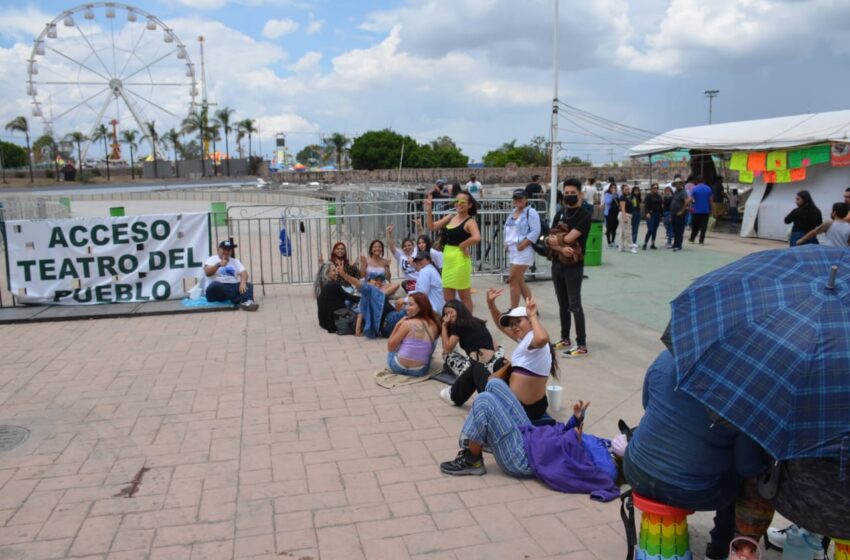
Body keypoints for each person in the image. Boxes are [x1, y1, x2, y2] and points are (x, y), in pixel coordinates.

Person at [624, 351, 767, 560]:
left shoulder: (668, 357)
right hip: (691, 490)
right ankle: (721, 547)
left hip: (636, 469)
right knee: (742, 477)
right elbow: (747, 466)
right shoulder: (743, 386)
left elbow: (647, 403)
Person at [480, 291, 557, 421]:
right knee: (499, 363)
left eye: (518, 321)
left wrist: (532, 315)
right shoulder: (525, 338)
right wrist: (491, 305)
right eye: (512, 324)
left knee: (476, 371)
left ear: (529, 321)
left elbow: (543, 338)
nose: (514, 327)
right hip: (535, 406)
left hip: (521, 409)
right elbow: (501, 327)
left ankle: (454, 395)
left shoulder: (533, 338)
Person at [550, 178, 592, 357]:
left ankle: (581, 344)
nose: (569, 196)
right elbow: (549, 239)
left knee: (575, 304)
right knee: (562, 303)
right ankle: (565, 338)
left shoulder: (584, 215)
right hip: (557, 263)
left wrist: (558, 242)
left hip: (574, 265)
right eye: (566, 193)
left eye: (572, 193)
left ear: (580, 194)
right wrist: (559, 247)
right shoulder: (560, 213)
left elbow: (569, 239)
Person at [424, 190, 481, 312]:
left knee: (464, 296)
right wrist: (429, 210)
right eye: (456, 201)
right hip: (448, 262)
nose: (458, 204)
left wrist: (463, 244)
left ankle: (468, 324)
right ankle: (454, 322)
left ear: (469, 205)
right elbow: (431, 226)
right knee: (448, 297)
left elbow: (476, 237)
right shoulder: (450, 217)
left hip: (460, 261)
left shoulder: (470, 221)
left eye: (462, 202)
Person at [437, 300, 503, 404]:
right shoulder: (476, 321)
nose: (449, 316)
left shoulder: (458, 325)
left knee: (447, 355)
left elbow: (447, 348)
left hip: (477, 366)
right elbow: (494, 345)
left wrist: (444, 326)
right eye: (446, 314)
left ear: (459, 311)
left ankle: (454, 390)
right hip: (492, 362)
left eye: (451, 312)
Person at [386, 293, 439, 376]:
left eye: (411, 304)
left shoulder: (407, 323)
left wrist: (397, 325)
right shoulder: (433, 324)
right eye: (406, 304)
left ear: (421, 307)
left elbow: (390, 347)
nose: (406, 308)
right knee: (433, 341)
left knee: (393, 349)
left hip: (398, 367)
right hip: (420, 370)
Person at [504, 189, 541, 308]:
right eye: (516, 198)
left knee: (512, 281)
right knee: (519, 281)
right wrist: (506, 242)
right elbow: (509, 230)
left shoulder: (531, 212)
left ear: (526, 199)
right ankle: (532, 308)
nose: (518, 200)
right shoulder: (513, 212)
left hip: (523, 250)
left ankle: (513, 311)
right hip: (513, 250)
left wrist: (523, 244)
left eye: (521, 198)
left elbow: (535, 231)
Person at [337, 268, 401, 338]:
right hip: (388, 321)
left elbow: (396, 285)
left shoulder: (379, 293)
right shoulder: (368, 290)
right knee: (404, 313)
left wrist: (381, 289)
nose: (378, 282)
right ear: (368, 282)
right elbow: (357, 283)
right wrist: (344, 275)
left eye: (380, 281)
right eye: (375, 280)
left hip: (389, 324)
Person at [203, 240, 259, 310]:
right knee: (215, 285)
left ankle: (248, 302)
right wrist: (219, 264)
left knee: (248, 285)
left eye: (229, 250)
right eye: (224, 249)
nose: (226, 252)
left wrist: (243, 282)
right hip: (215, 290)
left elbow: (244, 273)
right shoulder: (212, 259)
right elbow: (207, 273)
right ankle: (240, 300)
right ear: (218, 250)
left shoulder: (235, 261)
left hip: (230, 287)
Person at [315, 263, 359, 333]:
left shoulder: (320, 287)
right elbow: (350, 297)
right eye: (334, 271)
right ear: (327, 273)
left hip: (323, 323)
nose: (337, 273)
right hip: (335, 323)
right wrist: (363, 297)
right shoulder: (334, 285)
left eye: (336, 270)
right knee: (358, 308)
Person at [386, 224, 417, 292]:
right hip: (411, 283)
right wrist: (390, 234)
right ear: (402, 248)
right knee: (404, 283)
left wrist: (419, 227)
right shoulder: (400, 256)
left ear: (413, 246)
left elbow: (422, 238)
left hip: (421, 281)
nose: (407, 247)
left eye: (409, 245)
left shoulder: (416, 251)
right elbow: (392, 247)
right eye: (405, 246)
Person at [689, 177, 713, 244]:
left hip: (696, 210)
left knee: (695, 225)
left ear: (697, 181)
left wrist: (691, 207)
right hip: (706, 210)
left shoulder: (694, 188)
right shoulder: (708, 188)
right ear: (704, 181)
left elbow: (691, 199)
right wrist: (711, 209)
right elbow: (711, 200)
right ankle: (701, 240)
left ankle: (692, 238)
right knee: (704, 226)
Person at [670, 179, 690, 252]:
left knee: (679, 230)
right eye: (676, 184)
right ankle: (675, 244)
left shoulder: (683, 192)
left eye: (679, 183)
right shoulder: (676, 192)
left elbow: (686, 202)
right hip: (674, 213)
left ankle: (678, 245)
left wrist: (682, 211)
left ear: (681, 184)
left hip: (679, 214)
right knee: (675, 230)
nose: (677, 185)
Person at [642, 183, 663, 250]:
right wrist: (647, 213)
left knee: (654, 230)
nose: (655, 189)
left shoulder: (659, 196)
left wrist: (661, 215)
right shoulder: (648, 196)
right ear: (651, 189)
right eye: (654, 188)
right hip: (650, 214)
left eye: (657, 188)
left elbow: (661, 207)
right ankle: (645, 243)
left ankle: (652, 244)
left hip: (657, 214)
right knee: (650, 229)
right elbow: (646, 206)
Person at [617, 184, 637, 253]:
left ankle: (621, 246)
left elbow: (634, 205)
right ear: (622, 190)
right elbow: (622, 207)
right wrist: (625, 217)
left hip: (626, 215)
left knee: (622, 231)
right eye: (625, 189)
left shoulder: (628, 197)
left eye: (628, 189)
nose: (627, 190)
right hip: (625, 215)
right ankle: (631, 247)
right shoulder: (622, 197)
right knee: (628, 231)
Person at [603, 183, 619, 247]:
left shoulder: (617, 195)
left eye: (615, 188)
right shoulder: (607, 194)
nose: (613, 189)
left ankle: (613, 241)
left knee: (614, 228)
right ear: (609, 188)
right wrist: (612, 195)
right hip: (609, 213)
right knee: (609, 228)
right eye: (612, 187)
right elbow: (607, 202)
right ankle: (609, 242)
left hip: (615, 213)